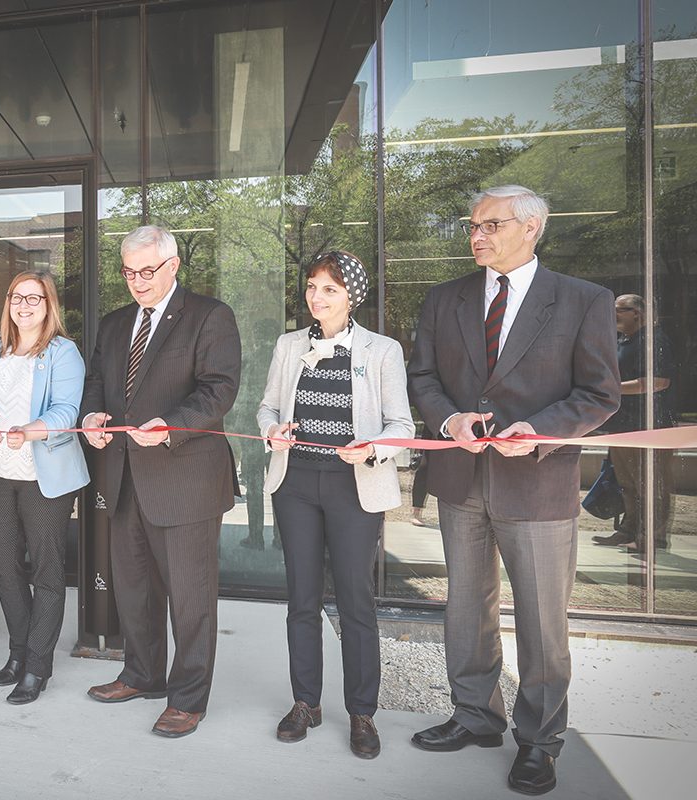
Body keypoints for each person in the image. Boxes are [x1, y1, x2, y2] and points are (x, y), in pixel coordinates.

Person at [407, 185, 619, 795]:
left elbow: (601, 393)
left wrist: (543, 429)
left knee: (541, 620)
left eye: (490, 224)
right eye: (472, 225)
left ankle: (540, 740)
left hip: (539, 483)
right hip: (461, 478)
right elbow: (423, 375)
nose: (476, 234)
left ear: (532, 228)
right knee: (466, 608)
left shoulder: (584, 300)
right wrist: (449, 420)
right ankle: (475, 717)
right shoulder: (445, 299)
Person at [80, 224, 242, 739]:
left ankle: (187, 699)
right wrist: (91, 419)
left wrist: (170, 427)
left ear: (173, 266)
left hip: (185, 479)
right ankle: (142, 674)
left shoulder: (209, 316)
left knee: (190, 599)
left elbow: (219, 390)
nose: (137, 281)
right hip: (124, 477)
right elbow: (96, 384)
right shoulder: (113, 324)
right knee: (133, 589)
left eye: (147, 270)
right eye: (129, 271)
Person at [257, 251, 415, 759]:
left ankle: (362, 712)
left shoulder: (383, 350)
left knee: (355, 600)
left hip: (354, 488)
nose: (316, 297)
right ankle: (306, 702)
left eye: (329, 288)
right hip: (296, 483)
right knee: (301, 598)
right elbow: (267, 407)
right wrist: (271, 431)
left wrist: (372, 447)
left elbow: (403, 429)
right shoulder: (288, 346)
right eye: (311, 287)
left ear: (352, 296)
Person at [0, 271, 89, 704]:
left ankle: (37, 666)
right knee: (3, 566)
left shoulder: (62, 352)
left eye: (33, 298)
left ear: (48, 304)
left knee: (47, 573)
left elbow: (67, 412)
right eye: (17, 297)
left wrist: (31, 430)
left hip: (44, 478)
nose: (24, 305)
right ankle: (18, 652)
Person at [592, 294, 675, 552]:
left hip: (648, 426)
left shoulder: (654, 340)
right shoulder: (622, 340)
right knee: (627, 483)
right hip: (623, 426)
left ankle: (653, 537)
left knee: (649, 483)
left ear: (637, 313)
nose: (614, 314)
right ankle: (629, 530)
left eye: (620, 309)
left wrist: (610, 389)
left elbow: (659, 381)